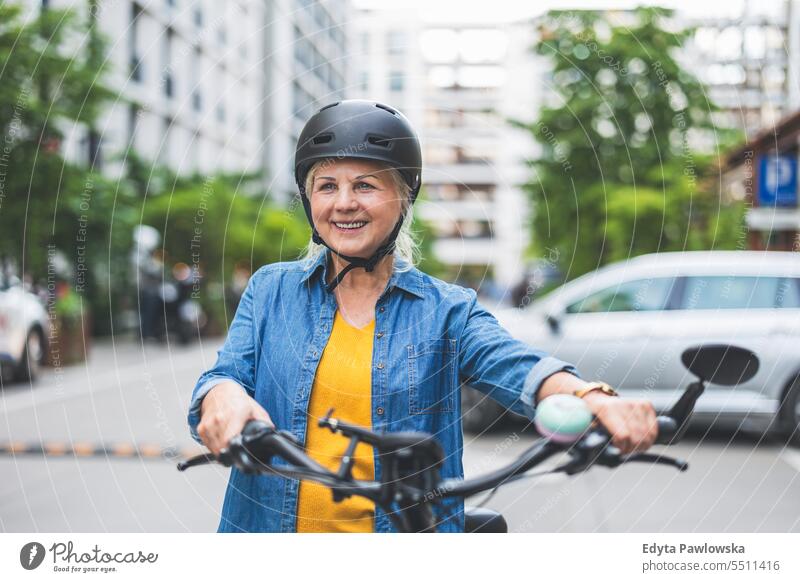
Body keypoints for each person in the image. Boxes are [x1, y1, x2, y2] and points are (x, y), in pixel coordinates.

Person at [187, 100, 657, 533]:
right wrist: (222, 397)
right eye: (326, 185)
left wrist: (592, 397)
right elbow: (226, 375)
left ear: (404, 197)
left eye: (365, 185)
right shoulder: (272, 289)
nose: (344, 203)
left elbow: (519, 367)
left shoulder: (448, 310)